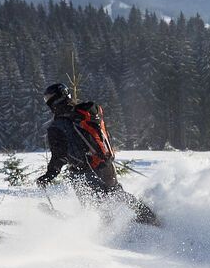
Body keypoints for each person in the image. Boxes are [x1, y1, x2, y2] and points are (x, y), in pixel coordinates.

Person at [37, 83, 160, 226]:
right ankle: (149, 217)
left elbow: (59, 156)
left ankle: (107, 235)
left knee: (95, 206)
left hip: (83, 172)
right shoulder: (87, 112)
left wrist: (48, 175)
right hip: (105, 162)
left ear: (52, 101)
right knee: (116, 193)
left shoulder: (57, 126)